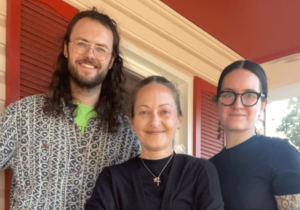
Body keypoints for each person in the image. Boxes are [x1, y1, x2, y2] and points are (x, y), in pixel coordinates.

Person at [0, 8, 140, 210]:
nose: (90, 54)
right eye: (82, 44)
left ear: (111, 62)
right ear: (66, 49)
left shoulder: (127, 137)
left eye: (101, 48)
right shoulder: (22, 115)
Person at [85, 75, 224, 210]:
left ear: (179, 119)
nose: (154, 122)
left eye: (164, 111)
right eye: (144, 112)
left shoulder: (200, 172)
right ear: (132, 121)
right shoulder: (112, 179)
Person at [209, 60, 300, 210]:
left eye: (250, 95)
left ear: (262, 106)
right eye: (228, 94)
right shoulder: (207, 168)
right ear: (218, 102)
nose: (237, 104)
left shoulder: (281, 154)